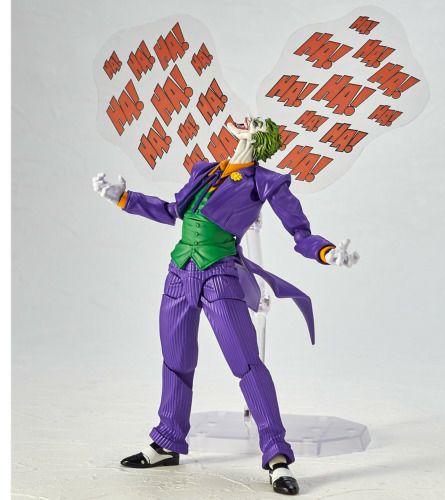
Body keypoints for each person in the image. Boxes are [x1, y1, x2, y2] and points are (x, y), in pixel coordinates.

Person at [92, 116, 359, 495]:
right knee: (176, 361)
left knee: (246, 363)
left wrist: (327, 252)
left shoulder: (266, 182)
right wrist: (124, 197)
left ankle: (276, 455)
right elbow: (172, 211)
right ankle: (167, 440)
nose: (246, 120)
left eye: (255, 122)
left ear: (261, 136)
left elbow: (299, 232)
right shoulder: (206, 171)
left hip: (219, 275)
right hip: (179, 271)